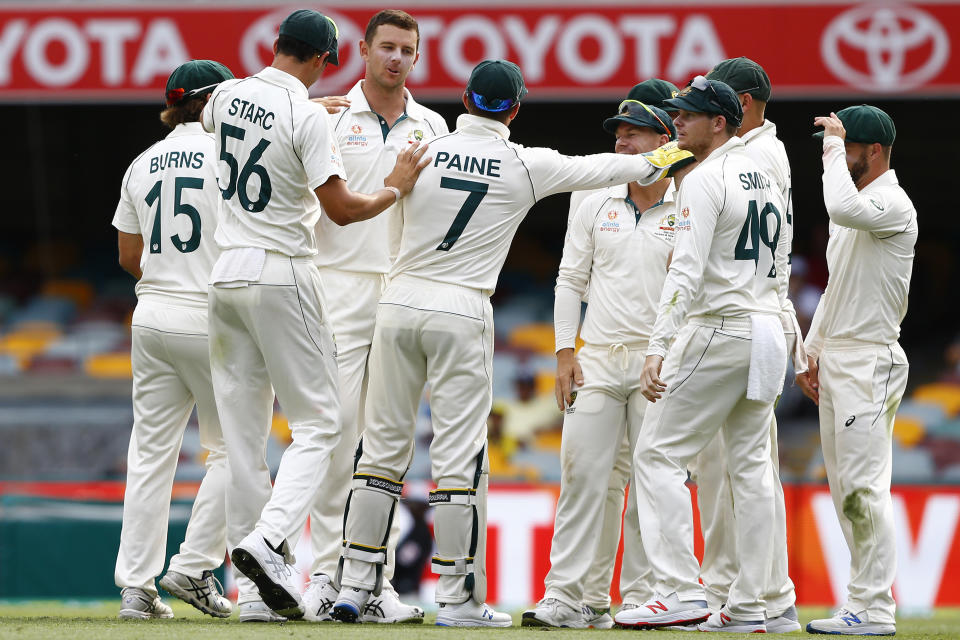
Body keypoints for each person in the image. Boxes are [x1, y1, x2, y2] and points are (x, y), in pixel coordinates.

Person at [328, 59, 694, 627]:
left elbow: (358, 193)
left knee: (377, 452)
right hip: (462, 306)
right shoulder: (527, 164)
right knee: (459, 459)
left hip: (397, 302)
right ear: (516, 110)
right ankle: (457, 600)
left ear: (464, 100)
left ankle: (354, 587)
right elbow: (633, 163)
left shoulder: (421, 146)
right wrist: (686, 147)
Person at [200, 9, 429, 619]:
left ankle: (254, 596)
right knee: (326, 427)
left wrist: (302, 108)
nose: (396, 57)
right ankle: (273, 545)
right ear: (332, 57)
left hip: (226, 272)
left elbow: (207, 116)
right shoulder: (309, 115)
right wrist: (396, 187)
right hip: (290, 271)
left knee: (246, 439)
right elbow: (345, 211)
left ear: (275, 44)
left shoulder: (225, 95)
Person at [612, 76, 788, 633]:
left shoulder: (705, 178)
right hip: (766, 330)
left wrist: (658, 347)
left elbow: (684, 272)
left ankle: (679, 590)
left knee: (657, 455)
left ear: (720, 122)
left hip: (720, 326)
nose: (677, 123)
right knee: (753, 470)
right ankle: (753, 608)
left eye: (688, 116)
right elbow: (781, 266)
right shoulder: (770, 172)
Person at [299, 9, 447, 624]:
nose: (395, 58)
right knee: (334, 439)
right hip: (337, 288)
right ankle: (326, 577)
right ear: (362, 49)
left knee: (385, 446)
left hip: (403, 290)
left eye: (406, 50)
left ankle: (368, 582)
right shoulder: (326, 117)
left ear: (416, 57)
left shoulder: (433, 126)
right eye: (386, 47)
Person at [523, 100, 678, 628]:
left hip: (659, 364)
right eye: (619, 134)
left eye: (635, 134)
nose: (622, 143)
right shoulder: (593, 196)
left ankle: (642, 595)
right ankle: (566, 596)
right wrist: (566, 350)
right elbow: (570, 279)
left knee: (651, 485)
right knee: (583, 476)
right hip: (599, 359)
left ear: (665, 141)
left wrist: (668, 353)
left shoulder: (690, 201)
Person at [111, 59, 235, 622]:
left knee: (150, 457)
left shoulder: (141, 162)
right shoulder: (228, 156)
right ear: (211, 102)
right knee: (236, 451)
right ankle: (195, 563)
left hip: (151, 313)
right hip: (210, 315)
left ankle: (136, 588)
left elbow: (128, 257)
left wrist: (167, 282)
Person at [689, 56, 803, 633]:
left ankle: (735, 592)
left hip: (736, 320)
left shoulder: (747, 158)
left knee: (730, 469)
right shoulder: (771, 155)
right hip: (764, 321)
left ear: (747, 103)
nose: (709, 109)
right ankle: (768, 595)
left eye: (720, 99)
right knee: (749, 467)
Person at [798, 105, 916, 636]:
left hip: (871, 358)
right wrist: (812, 348)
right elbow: (837, 284)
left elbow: (839, 206)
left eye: (847, 148)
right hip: (841, 356)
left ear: (872, 151)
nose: (839, 157)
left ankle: (874, 609)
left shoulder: (891, 203)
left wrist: (830, 148)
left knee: (863, 489)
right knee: (847, 488)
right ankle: (861, 604)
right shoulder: (861, 204)